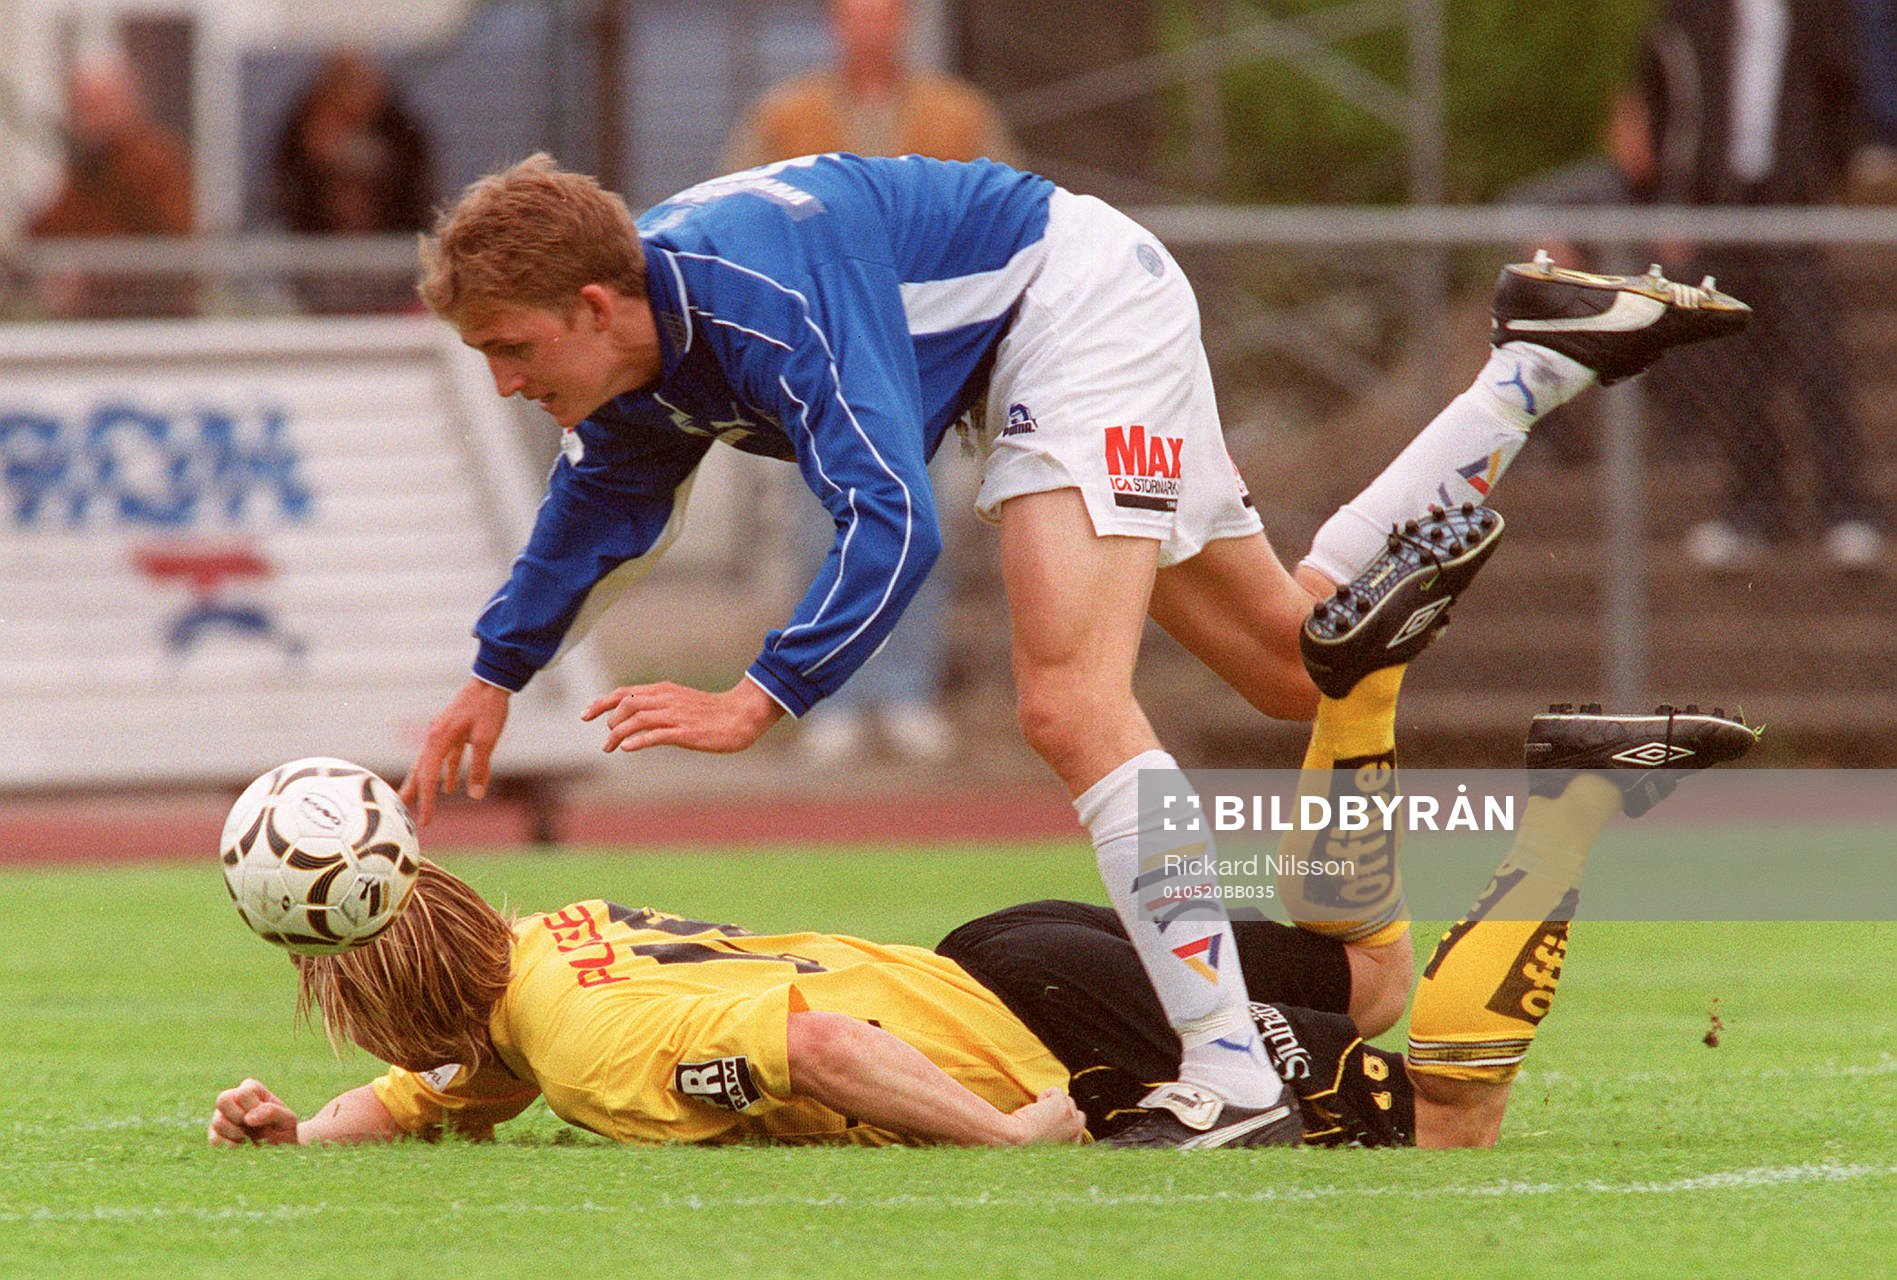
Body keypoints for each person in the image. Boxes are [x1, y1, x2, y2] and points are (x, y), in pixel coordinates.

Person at [396, 150, 1747, 1146]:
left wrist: (761, 697)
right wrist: (491, 675)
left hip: (1072, 303)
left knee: (1065, 701)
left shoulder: (762, 300)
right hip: (1051, 331)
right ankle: (1530, 366)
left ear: (591, 301)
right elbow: (597, 507)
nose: (507, 379)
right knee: (1294, 665)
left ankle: (1228, 1073)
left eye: (512, 348)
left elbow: (890, 521)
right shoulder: (645, 349)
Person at [211, 702, 1756, 1151]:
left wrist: (998, 1141)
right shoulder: (543, 947)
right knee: (1370, 975)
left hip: (1045, 1039)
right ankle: (1356, 689)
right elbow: (433, 1086)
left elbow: (810, 1043)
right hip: (996, 952)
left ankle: (1570, 814)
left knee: (1448, 1126)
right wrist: (303, 1138)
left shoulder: (582, 1040)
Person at [724, 0, 1021, 765]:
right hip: (818, 363)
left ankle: (907, 691)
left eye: (883, 13)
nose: (870, 28)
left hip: (929, 359)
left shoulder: (958, 113)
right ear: (834, 23)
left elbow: (1008, 213)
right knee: (815, 529)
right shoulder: (785, 114)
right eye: (856, 14)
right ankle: (828, 692)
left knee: (922, 529)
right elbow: (733, 213)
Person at [1612, 0, 1887, 570]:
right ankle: (1753, 506)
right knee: (1733, 367)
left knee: (1818, 359)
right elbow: (1664, 104)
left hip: (1790, 206)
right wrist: (1674, 200)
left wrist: (1825, 168)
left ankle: (1845, 505)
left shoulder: (1816, 13)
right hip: (1717, 206)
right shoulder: (1688, 16)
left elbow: (1843, 92)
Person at [26, 55, 194, 318]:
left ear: (127, 102)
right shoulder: (84, 170)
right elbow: (47, 231)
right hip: (94, 325)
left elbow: (171, 246)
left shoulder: (156, 161)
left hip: (154, 324)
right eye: (82, 107)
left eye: (98, 105)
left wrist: (92, 278)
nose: (89, 118)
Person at [270, 48, 433, 314]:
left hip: (393, 269)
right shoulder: (302, 130)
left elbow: (417, 191)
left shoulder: (400, 131)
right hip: (320, 270)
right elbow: (286, 191)